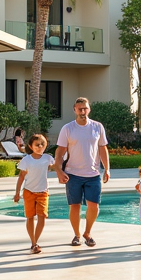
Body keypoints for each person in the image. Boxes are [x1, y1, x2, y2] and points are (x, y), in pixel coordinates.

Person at [55, 97, 110, 247]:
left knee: (94, 206)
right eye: (79, 109)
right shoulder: (68, 128)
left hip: (93, 174)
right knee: (75, 206)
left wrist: (107, 168)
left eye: (85, 108)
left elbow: (102, 149)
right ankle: (77, 235)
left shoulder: (97, 127)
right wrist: (59, 171)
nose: (82, 111)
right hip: (73, 174)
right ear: (74, 110)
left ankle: (87, 232)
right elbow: (60, 152)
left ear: (89, 109)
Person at [12, 134, 56, 254]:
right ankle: (33, 243)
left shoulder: (48, 158)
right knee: (30, 217)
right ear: (31, 146)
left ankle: (35, 242)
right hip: (29, 192)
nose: (40, 146)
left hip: (43, 193)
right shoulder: (27, 160)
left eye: (43, 144)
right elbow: (21, 177)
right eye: (37, 145)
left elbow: (57, 167)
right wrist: (17, 193)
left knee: (42, 217)